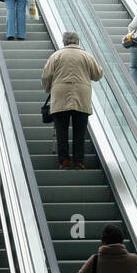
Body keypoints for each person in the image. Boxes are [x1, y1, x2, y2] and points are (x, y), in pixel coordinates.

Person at [41, 31, 103, 169]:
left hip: (60, 95)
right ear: (77, 41)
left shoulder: (56, 56)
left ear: (64, 42)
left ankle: (64, 160)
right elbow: (97, 75)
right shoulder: (87, 56)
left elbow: (46, 76)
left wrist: (48, 89)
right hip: (81, 96)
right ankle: (78, 160)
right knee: (80, 130)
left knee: (61, 130)